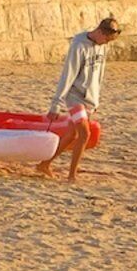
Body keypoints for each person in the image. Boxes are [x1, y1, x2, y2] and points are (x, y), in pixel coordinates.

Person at [46, 15, 117, 176]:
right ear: (99, 32)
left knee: (72, 134)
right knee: (85, 134)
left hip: (89, 98)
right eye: (106, 40)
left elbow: (99, 74)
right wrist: (56, 104)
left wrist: (95, 100)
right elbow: (68, 75)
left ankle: (45, 164)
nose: (106, 44)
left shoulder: (102, 46)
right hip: (75, 97)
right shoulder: (78, 45)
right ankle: (72, 175)